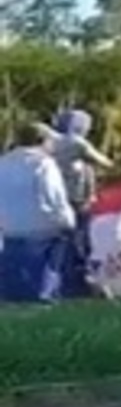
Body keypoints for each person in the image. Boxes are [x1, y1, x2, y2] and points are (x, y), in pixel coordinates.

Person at [35, 109, 113, 297]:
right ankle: (78, 285)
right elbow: (104, 162)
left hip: (49, 202)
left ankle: (55, 284)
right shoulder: (75, 143)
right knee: (79, 244)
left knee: (55, 245)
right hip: (75, 201)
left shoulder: (48, 141)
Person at [0, 123, 76, 303]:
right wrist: (68, 221)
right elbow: (54, 198)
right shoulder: (44, 164)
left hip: (9, 228)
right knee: (64, 237)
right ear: (43, 141)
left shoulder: (2, 163)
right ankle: (48, 290)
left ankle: (13, 290)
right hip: (41, 227)